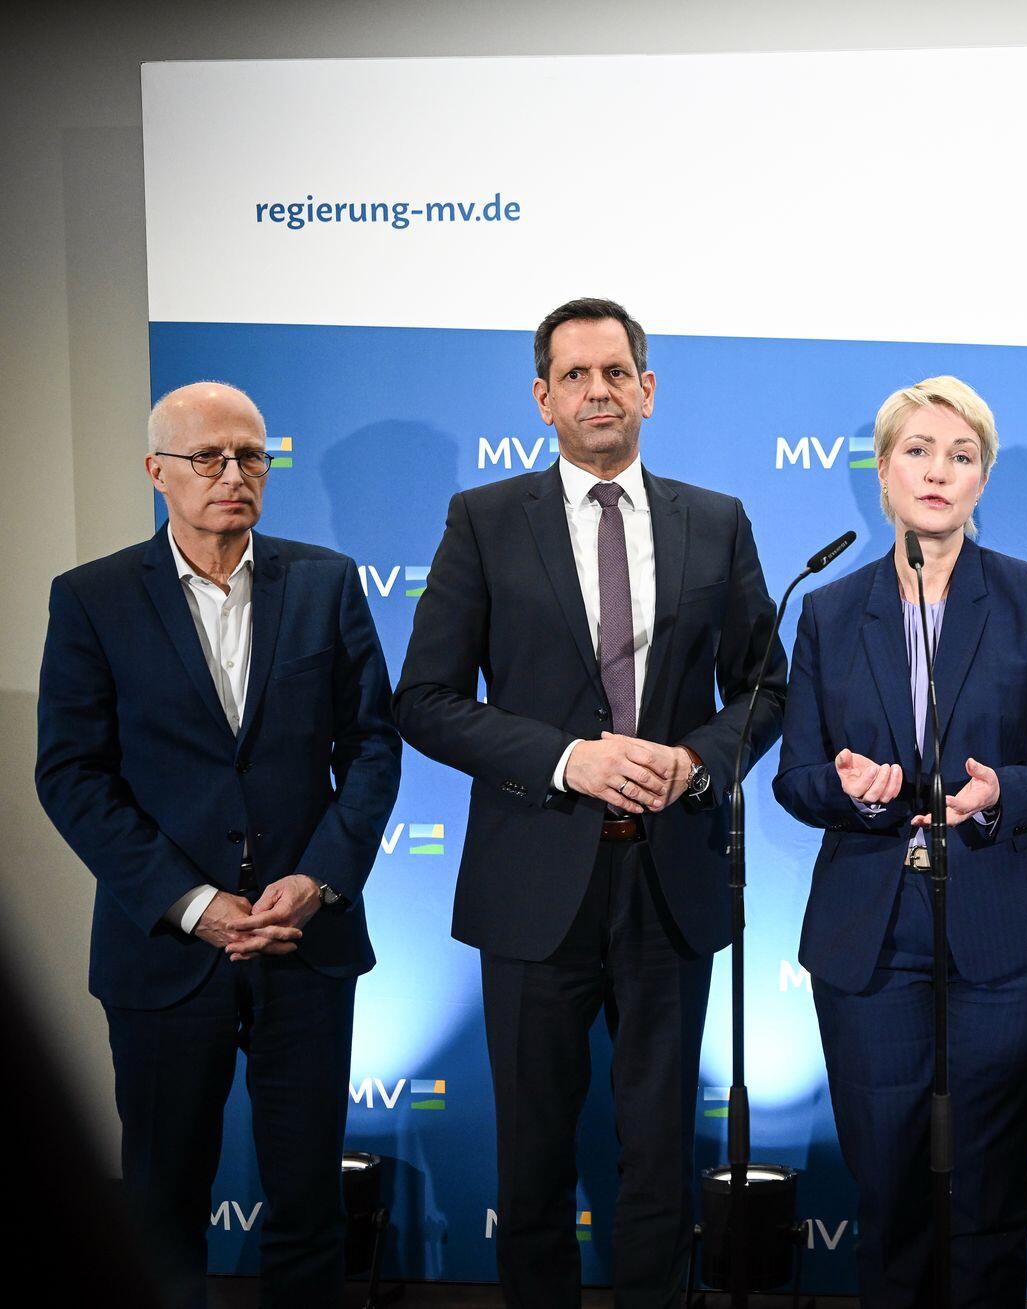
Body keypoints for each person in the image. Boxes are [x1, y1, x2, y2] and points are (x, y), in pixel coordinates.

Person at [393, 298, 784, 1309]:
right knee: (532, 1159)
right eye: (574, 375)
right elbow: (425, 700)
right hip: (532, 880)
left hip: (669, 879)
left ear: (648, 389)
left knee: (659, 1156)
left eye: (615, 372)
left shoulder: (716, 520)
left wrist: (695, 761)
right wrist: (568, 759)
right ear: (542, 398)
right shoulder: (484, 520)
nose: (597, 391)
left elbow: (764, 689)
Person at [36, 381, 401, 1309]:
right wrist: (192, 903)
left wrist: (318, 878)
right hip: (164, 952)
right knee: (161, 1209)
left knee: (309, 1206)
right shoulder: (92, 598)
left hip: (303, 944)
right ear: (157, 471)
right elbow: (72, 773)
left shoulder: (325, 582)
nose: (233, 473)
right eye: (208, 456)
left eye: (251, 456)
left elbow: (372, 747)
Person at [773, 375, 1027, 1307]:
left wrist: (1000, 794)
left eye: (961, 456)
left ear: (982, 479)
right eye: (917, 451)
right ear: (882, 471)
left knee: (990, 1198)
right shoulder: (829, 610)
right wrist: (852, 790)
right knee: (891, 1194)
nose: (938, 471)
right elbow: (797, 777)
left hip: (1012, 931)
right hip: (874, 939)